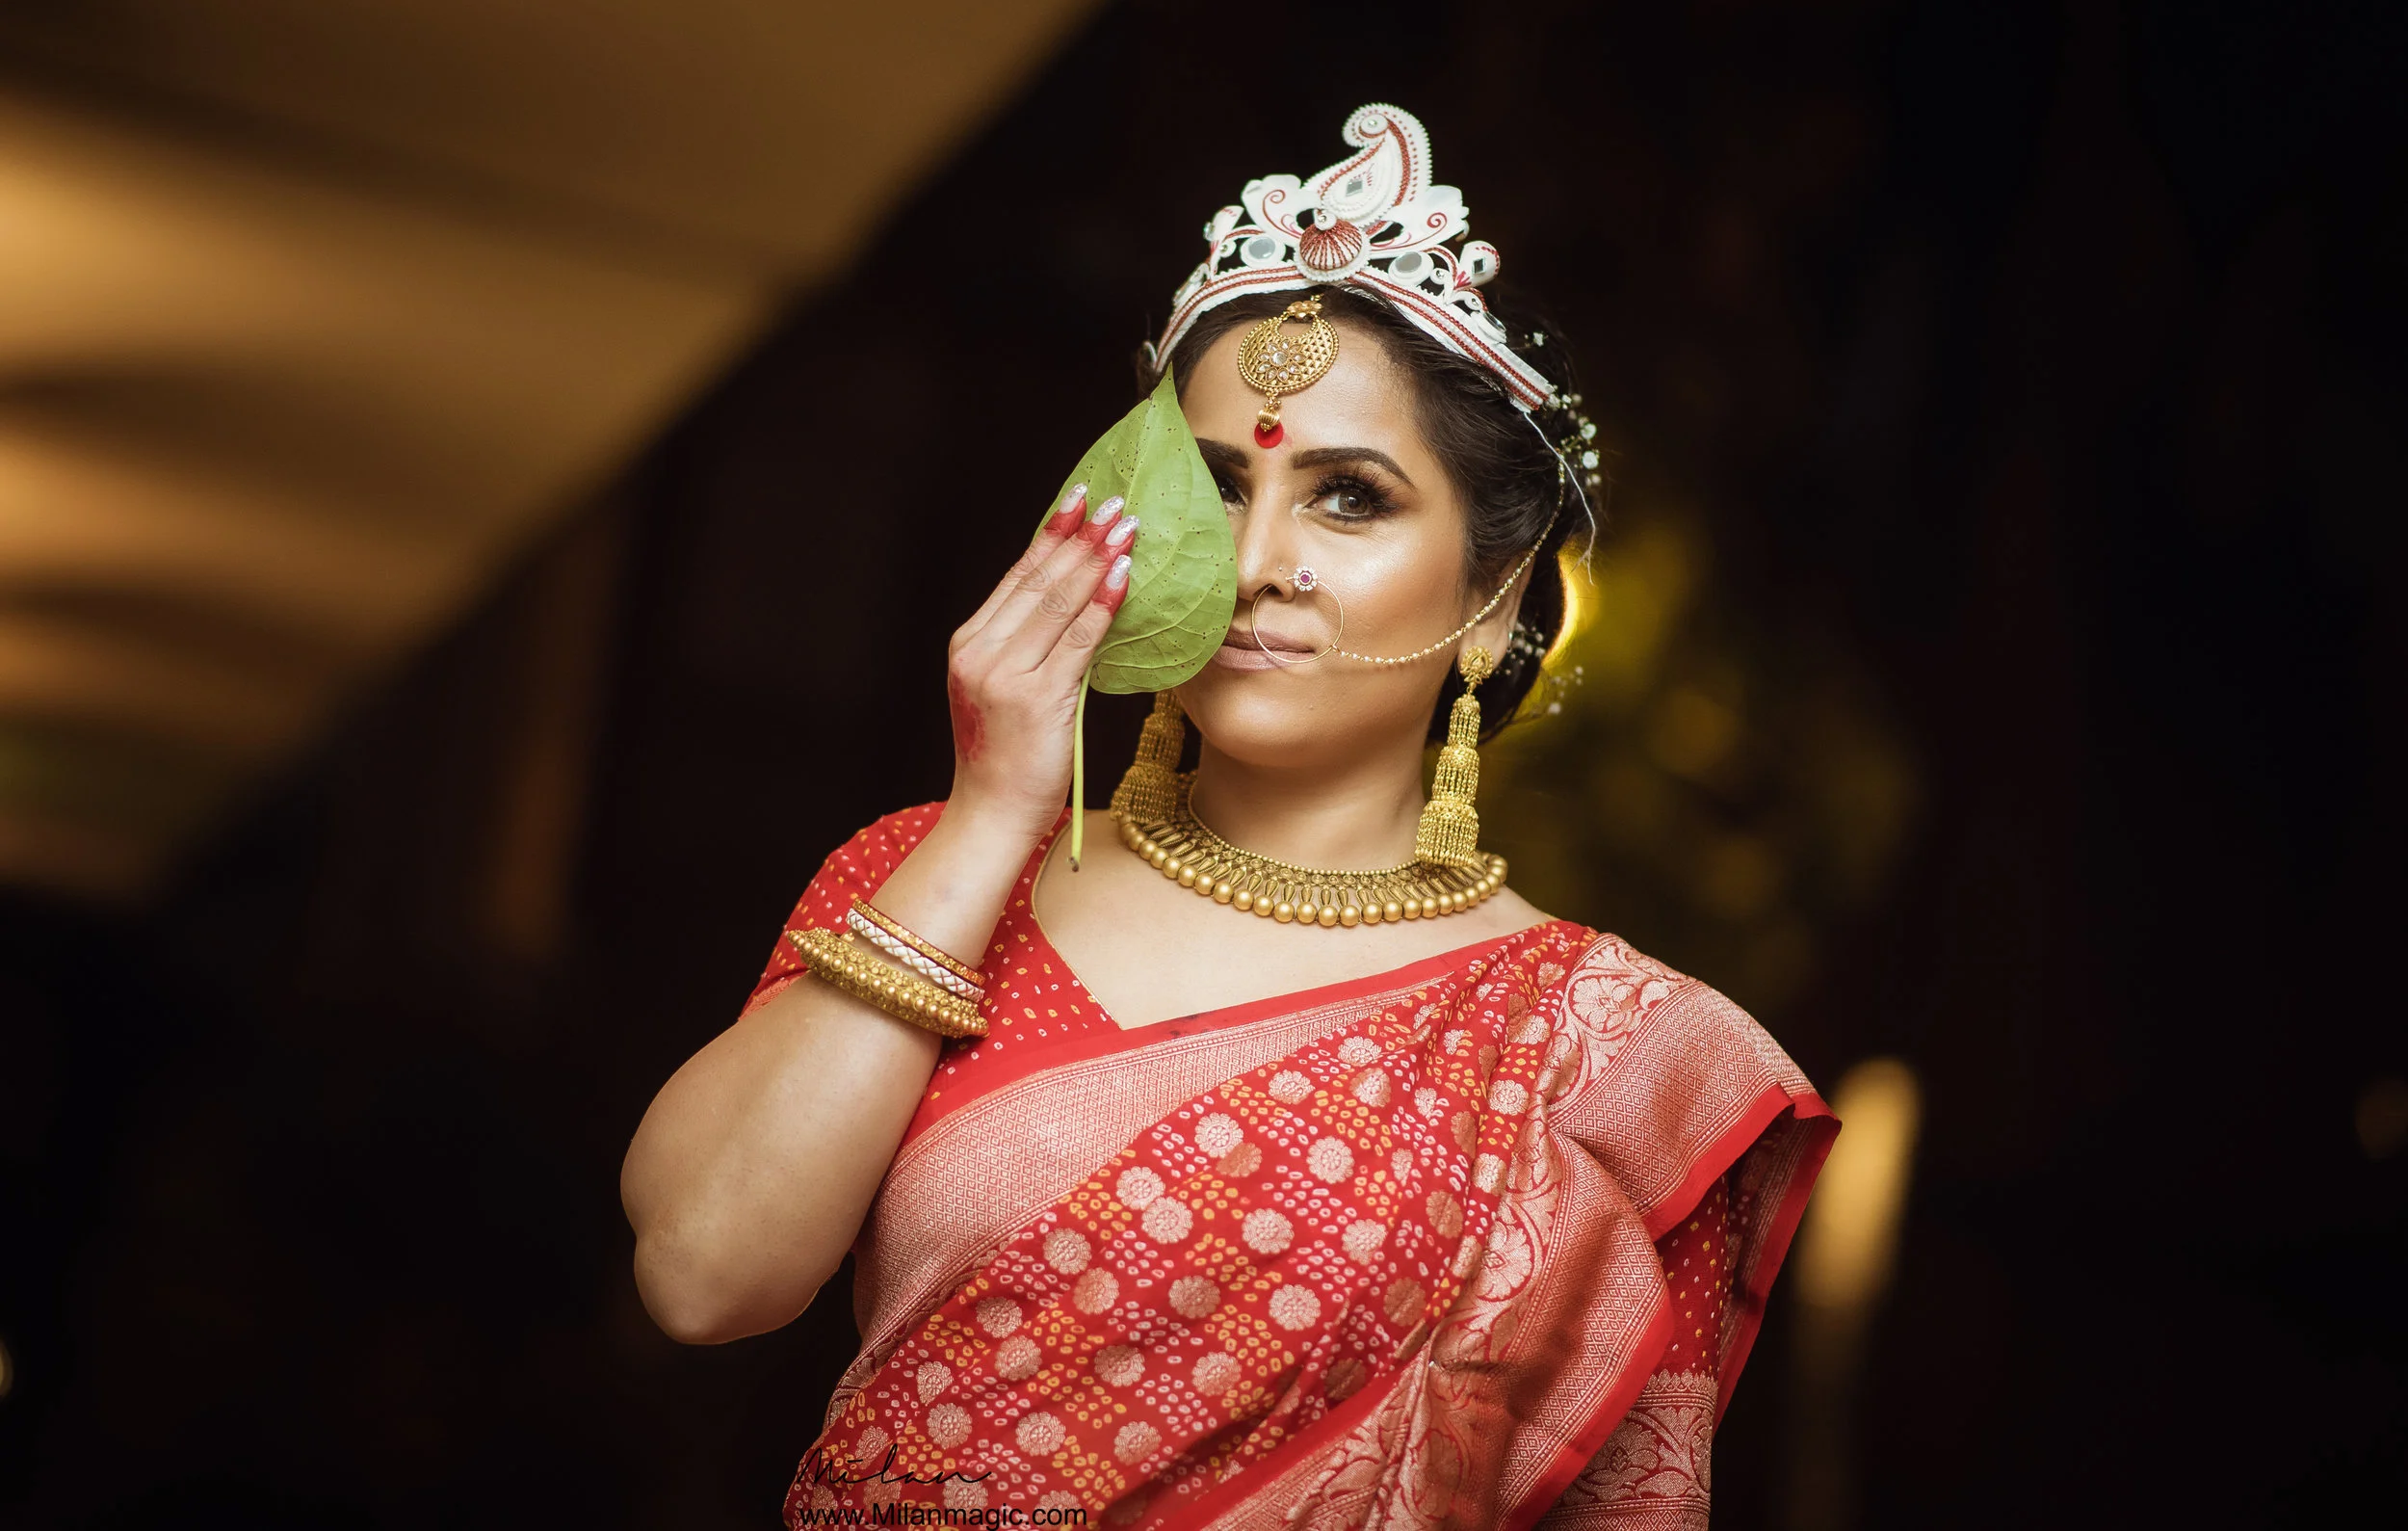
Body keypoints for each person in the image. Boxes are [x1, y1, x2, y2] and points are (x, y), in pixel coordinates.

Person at [621, 104, 1835, 1529]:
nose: (1257, 563)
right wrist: (999, 807)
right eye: (1210, 487)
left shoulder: (1604, 1059)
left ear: (1495, 607)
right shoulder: (933, 875)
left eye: (1349, 499)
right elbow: (706, 1276)